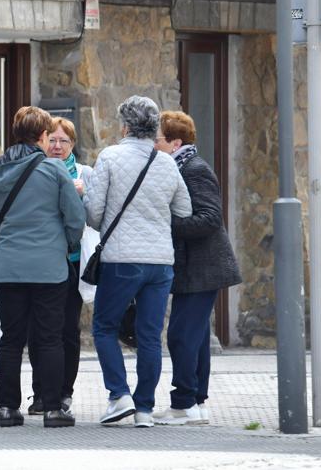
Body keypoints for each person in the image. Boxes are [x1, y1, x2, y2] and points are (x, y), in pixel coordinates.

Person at [83, 96, 192, 428]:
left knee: (104, 326)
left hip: (122, 259)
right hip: (160, 263)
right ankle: (144, 408)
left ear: (125, 126)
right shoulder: (166, 163)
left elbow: (94, 213)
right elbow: (184, 211)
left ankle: (119, 395)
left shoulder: (111, 158)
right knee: (148, 335)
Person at [0, 106, 85, 428]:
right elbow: (76, 219)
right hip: (48, 268)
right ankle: (53, 409)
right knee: (50, 337)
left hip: (8, 268)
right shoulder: (54, 171)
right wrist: (66, 244)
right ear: (42, 135)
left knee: (11, 338)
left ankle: (8, 409)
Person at [153, 111, 242, 425]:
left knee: (181, 335)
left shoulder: (193, 169)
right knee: (197, 337)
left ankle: (182, 404)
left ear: (175, 142)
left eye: (158, 139)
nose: (153, 145)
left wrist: (167, 223)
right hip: (195, 268)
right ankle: (197, 403)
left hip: (203, 267)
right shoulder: (181, 167)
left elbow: (209, 218)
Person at [27, 117, 93, 415]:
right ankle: (40, 393)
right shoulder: (35, 171)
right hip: (41, 262)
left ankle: (64, 392)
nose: (56, 146)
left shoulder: (85, 174)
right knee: (39, 330)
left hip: (72, 263)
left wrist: (82, 195)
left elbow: (96, 213)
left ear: (72, 145)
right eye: (51, 140)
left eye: (62, 141)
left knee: (67, 329)